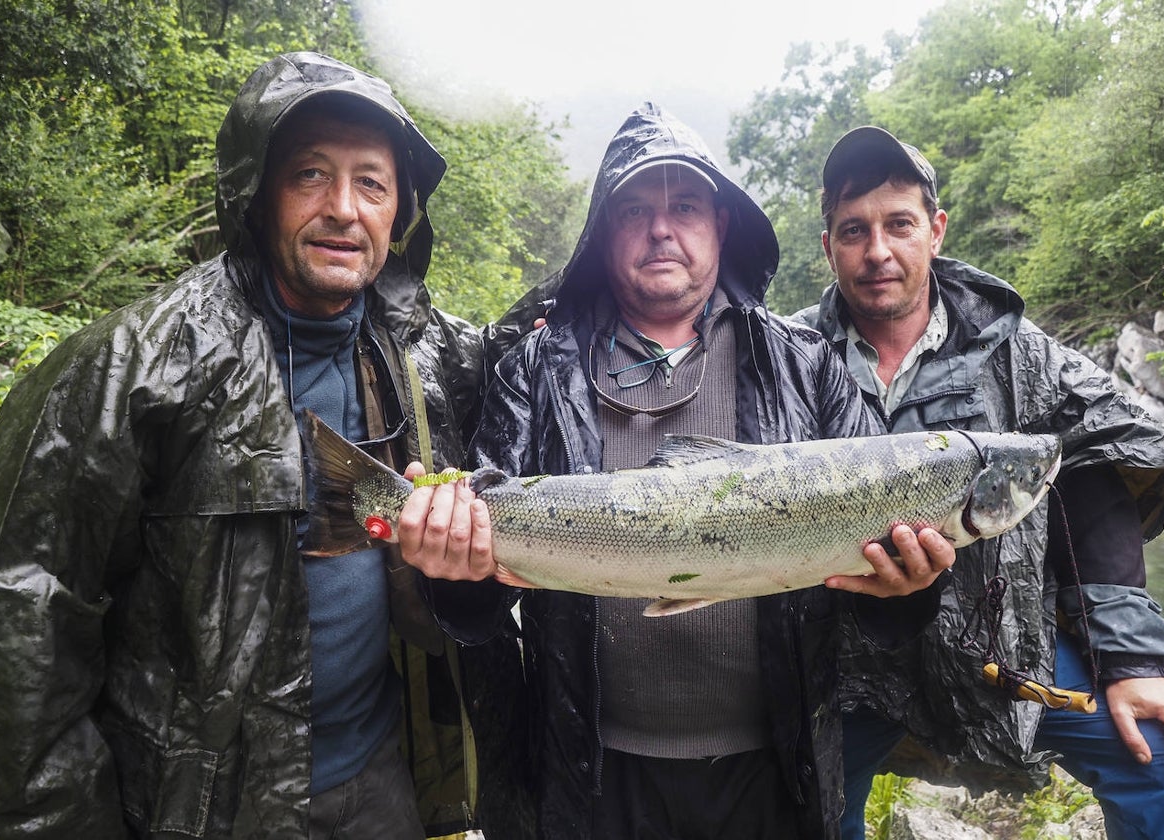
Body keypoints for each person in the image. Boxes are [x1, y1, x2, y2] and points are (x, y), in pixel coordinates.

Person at [0, 52, 520, 839]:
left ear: (400, 208)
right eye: (310, 174)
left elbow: (552, 357)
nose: (344, 208)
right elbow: (26, 627)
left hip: (378, 779)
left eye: (371, 183)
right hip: (200, 811)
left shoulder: (430, 357)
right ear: (257, 193)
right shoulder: (131, 368)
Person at [397, 102, 956, 840]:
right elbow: (478, 608)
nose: (663, 228)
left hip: (774, 775)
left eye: (686, 206)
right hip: (586, 777)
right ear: (605, 231)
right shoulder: (533, 370)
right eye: (636, 209)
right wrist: (451, 570)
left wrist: (906, 591)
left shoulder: (805, 365)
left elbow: (874, 585)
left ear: (720, 225)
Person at [794, 125, 1164, 839]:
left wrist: (1131, 659)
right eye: (854, 230)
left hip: (1002, 640)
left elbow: (1097, 469)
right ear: (828, 247)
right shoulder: (786, 357)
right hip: (843, 654)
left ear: (936, 230)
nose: (877, 251)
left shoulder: (1025, 353)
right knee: (806, 805)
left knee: (1162, 760)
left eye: (899, 225)